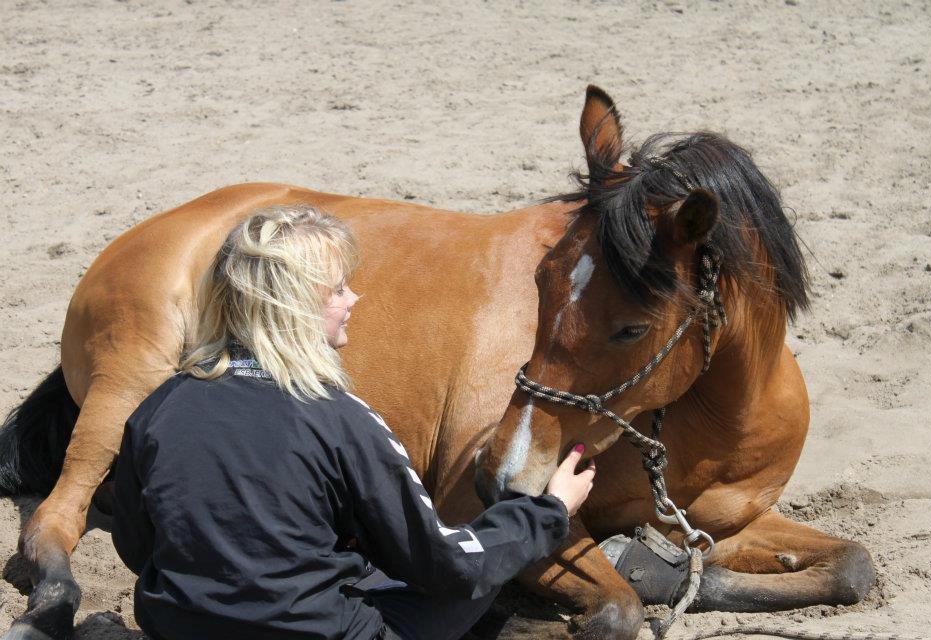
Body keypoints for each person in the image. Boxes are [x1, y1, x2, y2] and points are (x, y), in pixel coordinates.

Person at [111, 204, 596, 640]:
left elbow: (136, 546)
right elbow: (448, 566)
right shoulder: (339, 419)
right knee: (474, 576)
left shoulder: (162, 406)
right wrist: (548, 512)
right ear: (295, 307)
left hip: (175, 625)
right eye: (338, 289)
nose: (355, 299)